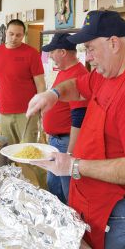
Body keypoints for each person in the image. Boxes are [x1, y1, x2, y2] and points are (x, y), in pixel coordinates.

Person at [26, 10, 125, 249]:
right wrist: (52, 94)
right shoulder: (104, 75)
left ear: (114, 43)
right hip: (101, 197)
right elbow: (76, 86)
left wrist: (73, 165)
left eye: (90, 48)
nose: (88, 58)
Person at [0, 19, 46, 145]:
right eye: (11, 34)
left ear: (23, 35)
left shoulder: (31, 53)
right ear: (6, 32)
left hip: (28, 112)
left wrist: (42, 109)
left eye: (18, 35)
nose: (14, 38)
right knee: (8, 150)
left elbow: (40, 84)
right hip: (4, 111)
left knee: (28, 152)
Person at [41, 32, 88, 204]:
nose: (51, 56)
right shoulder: (64, 71)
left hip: (66, 142)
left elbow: (79, 117)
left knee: (68, 193)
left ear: (62, 52)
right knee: (54, 190)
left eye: (52, 52)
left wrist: (70, 153)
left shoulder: (78, 74)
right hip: (56, 140)